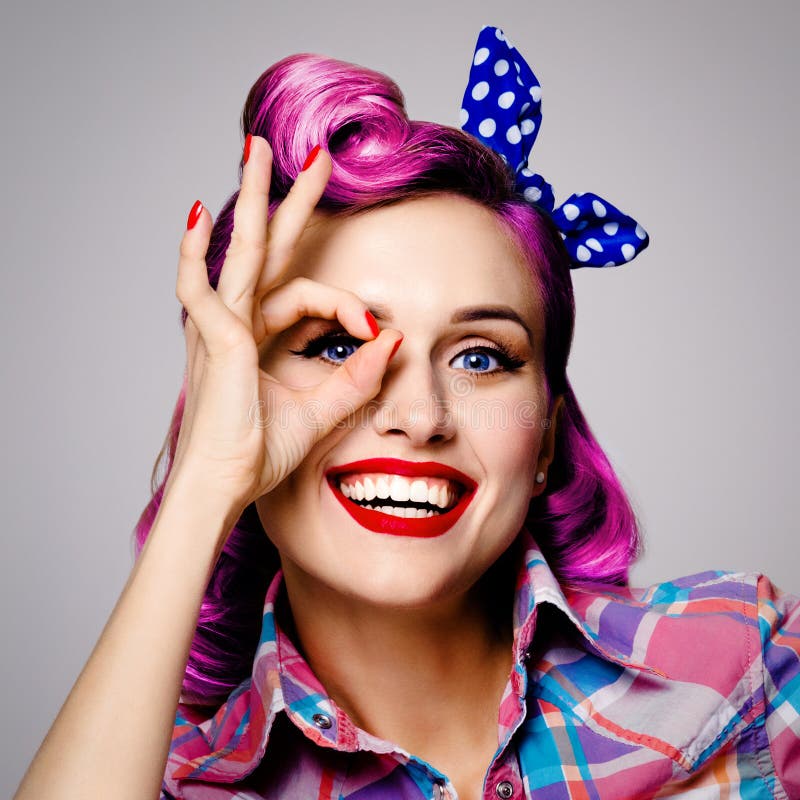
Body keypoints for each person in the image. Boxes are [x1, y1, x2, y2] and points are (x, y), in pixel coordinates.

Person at [14, 25, 800, 800]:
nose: (420, 416)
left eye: (480, 357)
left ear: (547, 441)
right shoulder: (176, 781)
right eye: (332, 346)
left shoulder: (746, 663)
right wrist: (206, 480)